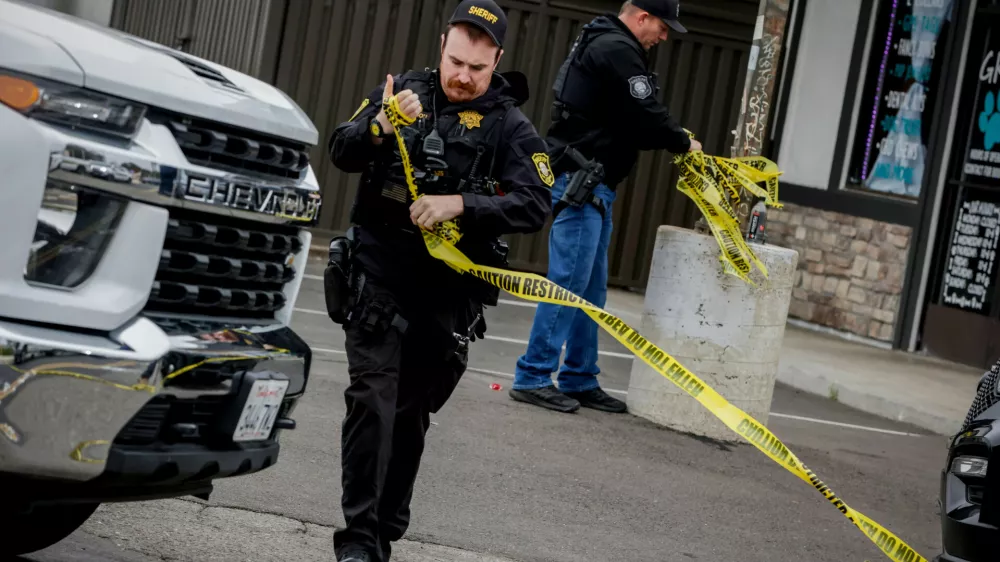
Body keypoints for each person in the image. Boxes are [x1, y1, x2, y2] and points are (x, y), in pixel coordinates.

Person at [324, 1, 551, 560]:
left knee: (409, 417)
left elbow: (536, 203)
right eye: (455, 62)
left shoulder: (510, 126)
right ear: (442, 45)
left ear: (497, 60)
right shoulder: (401, 94)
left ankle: (383, 530)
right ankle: (358, 542)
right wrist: (381, 125)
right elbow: (341, 150)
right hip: (378, 278)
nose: (463, 77)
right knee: (371, 400)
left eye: (477, 68)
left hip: (446, 297)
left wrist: (462, 205)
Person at [510, 0, 702, 414]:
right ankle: (533, 375)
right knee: (569, 284)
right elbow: (646, 112)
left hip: (595, 184)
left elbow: (634, 122)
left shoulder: (608, 43)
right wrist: (682, 141)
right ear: (642, 17)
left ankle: (579, 377)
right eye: (663, 26)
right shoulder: (616, 48)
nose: (664, 36)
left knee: (591, 289)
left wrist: (670, 136)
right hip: (582, 182)